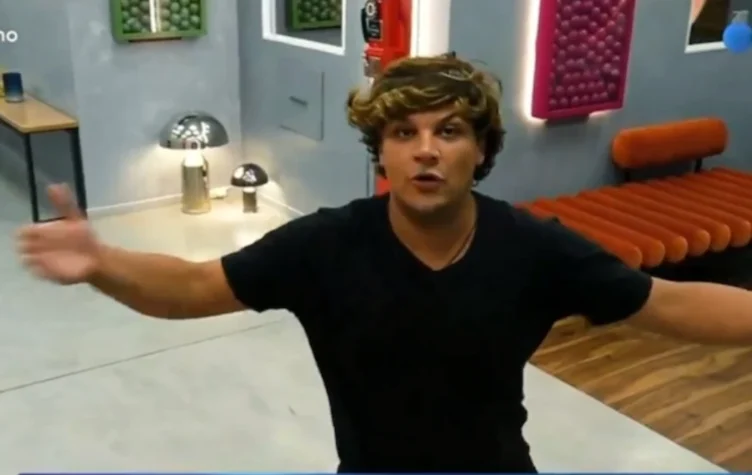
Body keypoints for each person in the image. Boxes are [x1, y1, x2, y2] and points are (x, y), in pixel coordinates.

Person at [15, 53, 752, 473]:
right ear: (383, 155)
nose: (426, 149)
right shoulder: (324, 245)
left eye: (450, 131)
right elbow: (193, 286)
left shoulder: (535, 247)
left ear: (481, 151)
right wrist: (103, 262)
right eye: (404, 132)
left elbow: (667, 302)